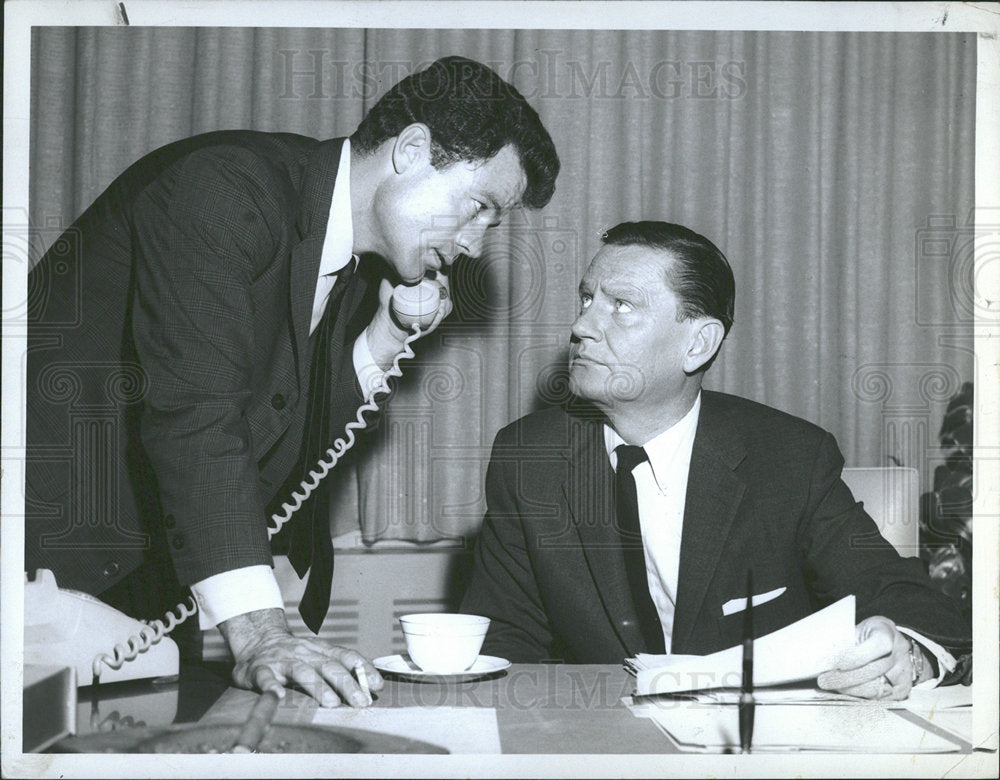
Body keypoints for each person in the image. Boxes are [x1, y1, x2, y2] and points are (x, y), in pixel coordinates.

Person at [25, 56, 560, 708]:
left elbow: (289, 443)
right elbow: (195, 413)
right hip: (41, 559)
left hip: (142, 576)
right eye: (479, 208)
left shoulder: (352, 259)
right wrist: (260, 635)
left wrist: (387, 337)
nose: (475, 245)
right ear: (413, 149)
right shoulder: (227, 191)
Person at [460, 220, 971, 700]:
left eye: (621, 306)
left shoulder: (788, 458)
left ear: (698, 343)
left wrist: (909, 655)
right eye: (587, 298)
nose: (580, 326)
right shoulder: (529, 457)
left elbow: (907, 601)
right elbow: (505, 641)